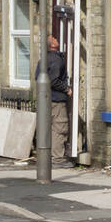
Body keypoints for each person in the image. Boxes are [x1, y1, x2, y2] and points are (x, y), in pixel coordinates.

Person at [35, 35, 70, 167]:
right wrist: (67, 89)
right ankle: (58, 159)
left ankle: (45, 157)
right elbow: (54, 80)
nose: (57, 39)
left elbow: (37, 77)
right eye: (55, 39)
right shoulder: (56, 60)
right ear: (53, 45)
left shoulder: (43, 60)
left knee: (46, 128)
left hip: (44, 100)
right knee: (59, 129)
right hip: (56, 100)